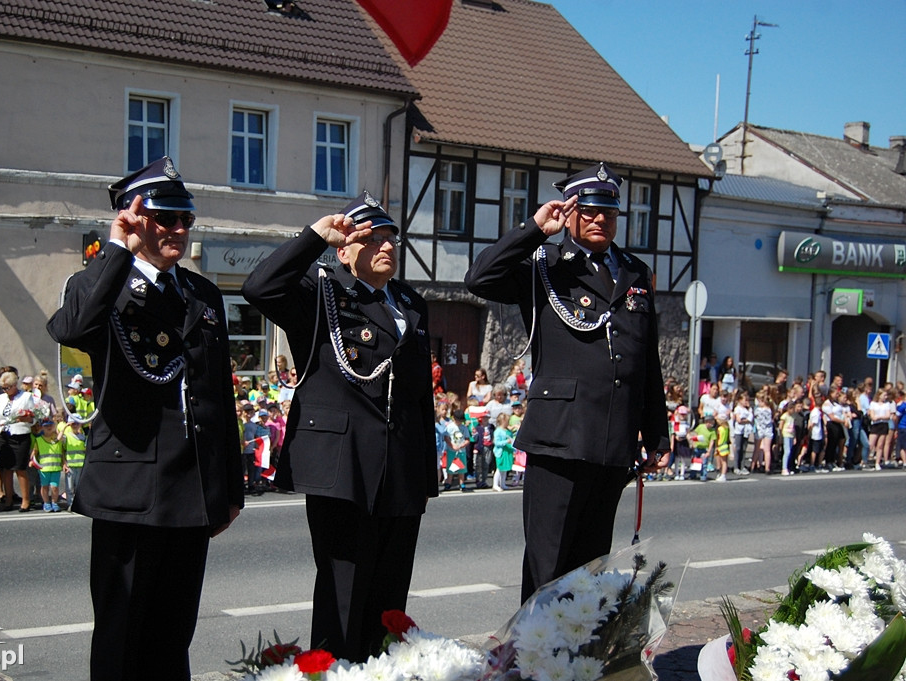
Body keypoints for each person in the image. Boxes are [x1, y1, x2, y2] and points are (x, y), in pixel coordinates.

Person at [46, 156, 244, 681]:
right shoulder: (99, 282)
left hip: (192, 489)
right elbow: (72, 329)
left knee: (172, 634)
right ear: (133, 219)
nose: (180, 230)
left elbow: (217, 393)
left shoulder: (200, 292)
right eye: (166, 219)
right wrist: (116, 250)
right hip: (130, 488)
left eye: (187, 220)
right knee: (122, 634)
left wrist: (229, 488)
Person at [241, 190, 437, 662]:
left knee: (391, 601)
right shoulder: (321, 292)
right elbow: (259, 288)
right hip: (344, 470)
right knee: (343, 596)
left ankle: (384, 671)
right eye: (372, 239)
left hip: (401, 473)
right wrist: (314, 238)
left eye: (392, 238)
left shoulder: (409, 302)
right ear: (345, 251)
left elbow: (416, 398)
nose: (387, 246)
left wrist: (424, 472)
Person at [464, 162, 669, 604]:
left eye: (609, 213)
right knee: (548, 565)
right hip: (559, 437)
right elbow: (479, 278)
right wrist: (536, 229)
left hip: (613, 441)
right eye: (590, 211)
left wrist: (656, 431)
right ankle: (532, 663)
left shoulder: (634, 271)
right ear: (570, 213)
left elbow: (644, 359)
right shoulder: (545, 264)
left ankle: (577, 661)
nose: (600, 220)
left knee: (590, 566)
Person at [0, 371, 37, 512]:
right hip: (5, 435)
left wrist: (26, 418)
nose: (5, 390)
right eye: (3, 388)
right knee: (6, 468)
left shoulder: (26, 397)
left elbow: (34, 418)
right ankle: (8, 499)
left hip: (20, 435)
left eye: (7, 387)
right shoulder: (2, 398)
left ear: (15, 385)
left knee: (20, 469)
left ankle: (25, 500)